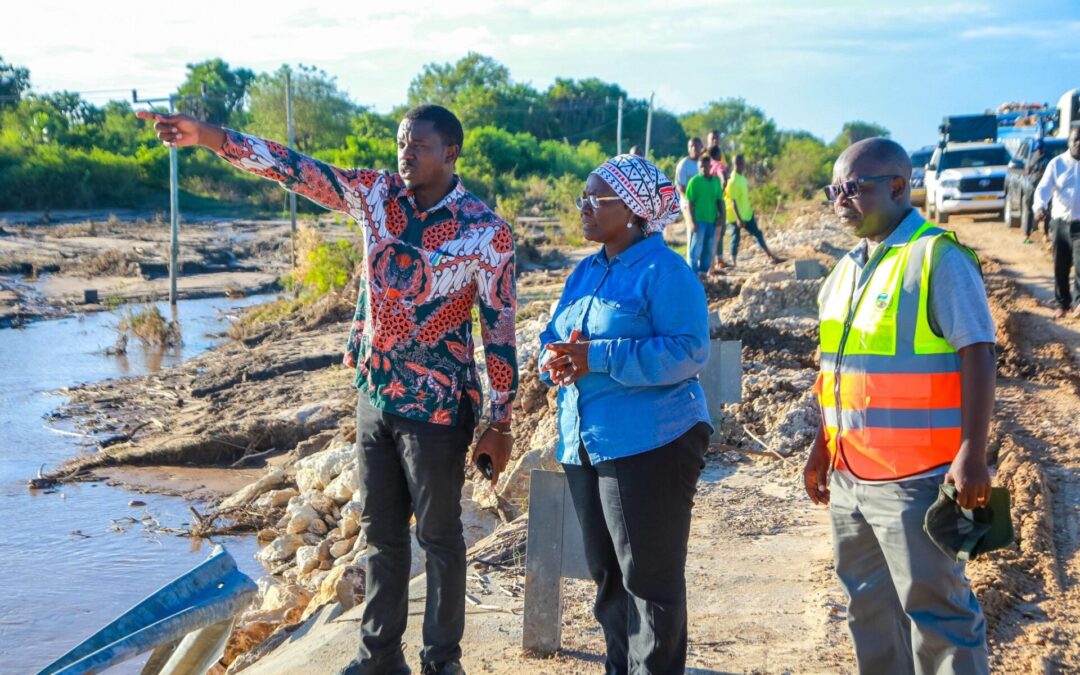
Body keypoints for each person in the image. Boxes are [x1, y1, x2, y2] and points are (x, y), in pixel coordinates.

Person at [137, 104, 518, 675]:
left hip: (438, 411)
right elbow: (296, 169)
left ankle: (443, 662)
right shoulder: (376, 196)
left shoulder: (486, 232)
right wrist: (210, 138)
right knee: (381, 537)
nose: (405, 154)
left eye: (418, 145)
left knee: (439, 540)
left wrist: (501, 419)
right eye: (400, 144)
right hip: (375, 398)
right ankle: (379, 658)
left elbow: (500, 328)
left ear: (451, 153)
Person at [804, 137, 996, 675]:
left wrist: (972, 455)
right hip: (850, 475)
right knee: (869, 610)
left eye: (854, 188)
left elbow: (978, 353)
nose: (841, 200)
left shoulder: (937, 257)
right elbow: (838, 374)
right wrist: (823, 446)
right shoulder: (843, 271)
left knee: (940, 616)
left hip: (920, 479)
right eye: (834, 189)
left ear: (897, 185)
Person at [538, 154, 712, 674]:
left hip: (651, 442)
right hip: (584, 442)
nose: (585, 208)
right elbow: (553, 340)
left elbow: (688, 351)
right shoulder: (585, 272)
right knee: (608, 579)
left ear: (634, 210)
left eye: (597, 199)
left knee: (649, 583)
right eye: (582, 198)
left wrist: (600, 357)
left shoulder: (666, 272)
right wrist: (557, 363)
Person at [1034, 121, 1080, 319]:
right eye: (1075, 139)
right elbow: (1043, 189)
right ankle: (1062, 303)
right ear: (1069, 142)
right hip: (1060, 223)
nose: (1079, 143)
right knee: (1060, 265)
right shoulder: (1057, 164)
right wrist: (1040, 207)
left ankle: (1078, 304)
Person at [724, 154, 783, 266]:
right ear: (734, 164)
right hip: (735, 215)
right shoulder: (733, 181)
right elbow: (733, 202)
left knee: (758, 233)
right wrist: (738, 219)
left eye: (742, 163)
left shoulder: (742, 178)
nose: (740, 165)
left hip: (746, 213)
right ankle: (733, 262)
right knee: (735, 238)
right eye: (738, 163)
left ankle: (770, 255)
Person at [685, 155, 725, 275]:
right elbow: (689, 203)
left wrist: (721, 216)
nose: (703, 169)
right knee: (695, 249)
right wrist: (692, 222)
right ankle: (693, 273)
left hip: (711, 220)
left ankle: (703, 272)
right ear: (698, 167)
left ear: (710, 167)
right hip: (699, 220)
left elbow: (719, 201)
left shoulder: (716, 181)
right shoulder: (694, 181)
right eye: (701, 166)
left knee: (708, 248)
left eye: (706, 166)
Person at [675, 137, 705, 263]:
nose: (694, 148)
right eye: (692, 146)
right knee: (692, 231)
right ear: (688, 148)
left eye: (697, 146)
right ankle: (690, 263)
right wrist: (690, 200)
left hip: (702, 204)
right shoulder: (684, 164)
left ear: (701, 147)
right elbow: (680, 186)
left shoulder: (704, 164)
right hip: (688, 203)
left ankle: (701, 263)